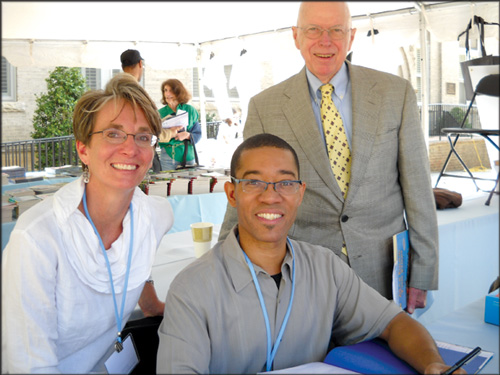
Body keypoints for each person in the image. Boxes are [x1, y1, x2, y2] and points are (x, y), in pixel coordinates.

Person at [157, 133, 458, 375]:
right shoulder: (192, 290)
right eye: (253, 182)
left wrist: (433, 364)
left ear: (300, 193)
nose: (271, 195)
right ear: (233, 194)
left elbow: (395, 323)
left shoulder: (326, 268)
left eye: (285, 183)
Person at [219, 1, 439, 313]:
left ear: (351, 37)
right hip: (303, 277)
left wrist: (423, 271)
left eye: (336, 30)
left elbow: (418, 189)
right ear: (296, 36)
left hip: (385, 275)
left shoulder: (396, 93)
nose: (325, 41)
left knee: (385, 360)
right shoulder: (265, 107)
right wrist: (221, 265)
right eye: (313, 30)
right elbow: (246, 193)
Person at [2, 73, 173, 373]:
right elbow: (30, 364)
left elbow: (137, 251)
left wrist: (150, 301)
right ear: (83, 149)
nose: (130, 149)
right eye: (113, 133)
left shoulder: (157, 216)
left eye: (143, 137)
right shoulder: (37, 238)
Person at [158, 78, 202, 170]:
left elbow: (198, 134)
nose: (167, 94)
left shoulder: (190, 110)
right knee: (169, 183)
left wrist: (187, 135)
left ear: (178, 92)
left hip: (188, 156)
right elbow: (155, 135)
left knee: (189, 184)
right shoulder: (159, 113)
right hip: (168, 156)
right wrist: (169, 133)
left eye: (171, 90)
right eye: (165, 90)